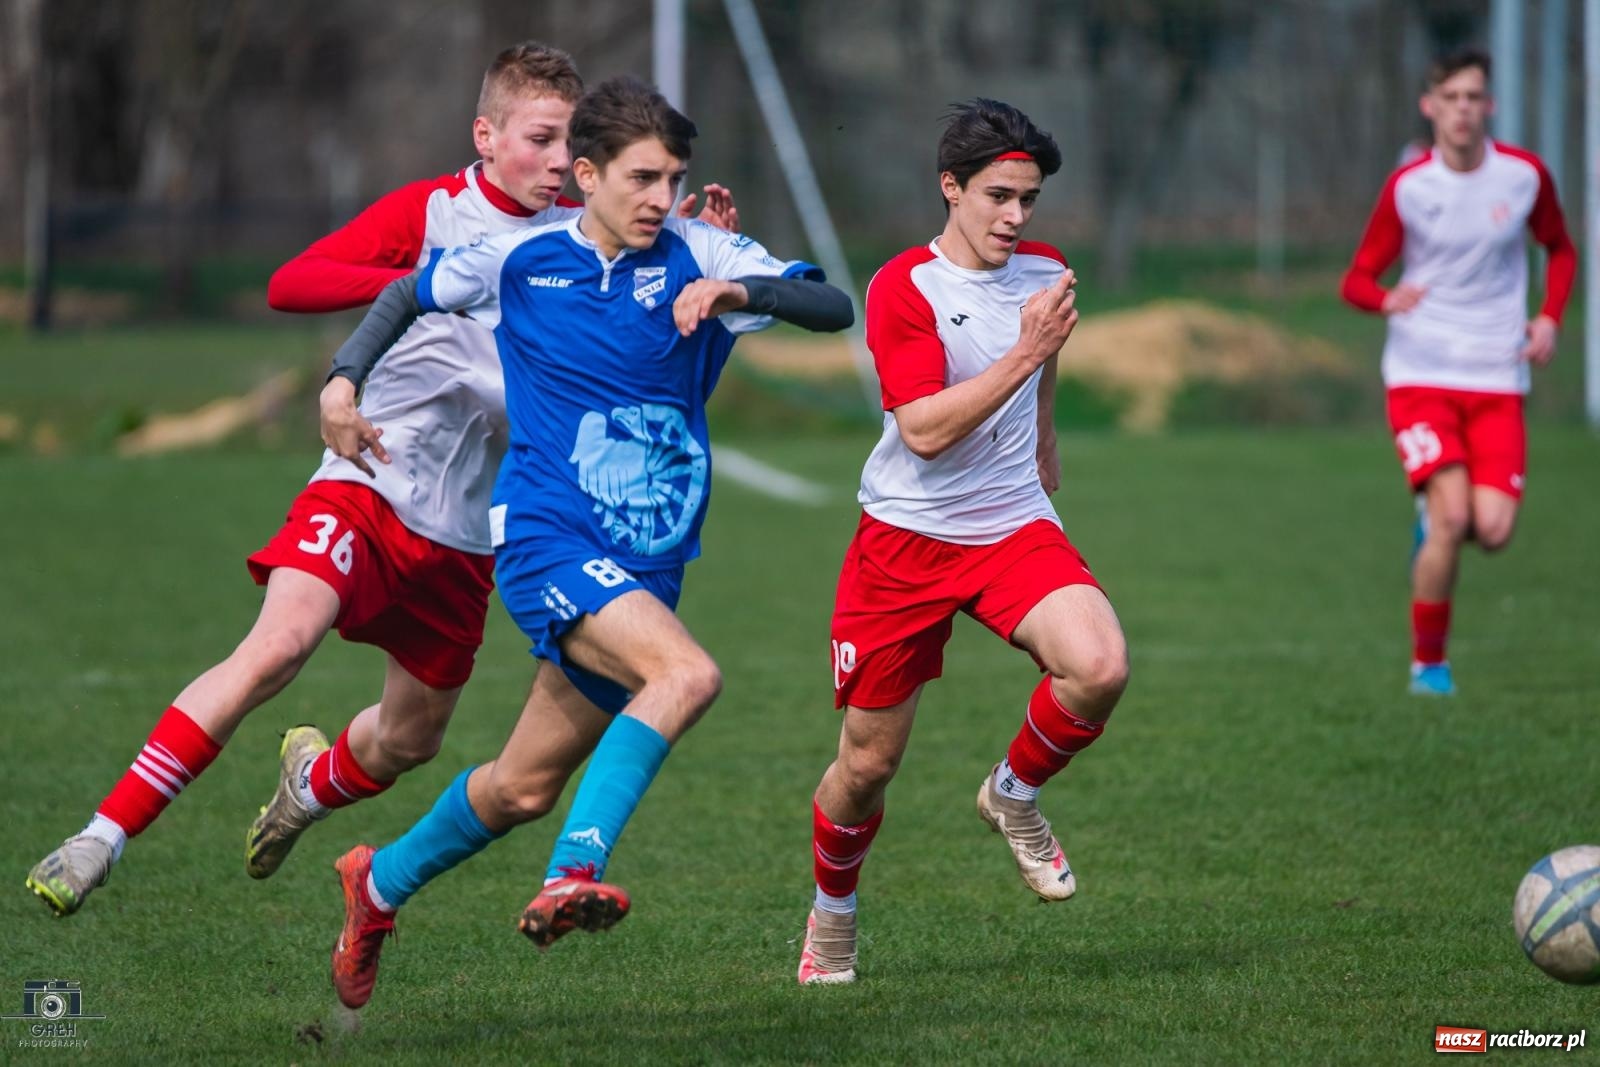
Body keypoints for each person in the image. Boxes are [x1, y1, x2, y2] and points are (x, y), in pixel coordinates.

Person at [23, 42, 735, 918]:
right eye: (539, 139)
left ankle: (310, 785)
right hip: (368, 482)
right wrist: (432, 285)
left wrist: (702, 264)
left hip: (471, 532)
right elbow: (293, 282)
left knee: (409, 739)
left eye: (568, 145)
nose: (556, 162)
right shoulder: (437, 212)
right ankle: (102, 834)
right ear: (486, 135)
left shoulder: (586, 244)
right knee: (277, 647)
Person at [317, 75, 854, 1010]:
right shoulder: (519, 259)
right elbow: (405, 296)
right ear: (589, 173)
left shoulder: (700, 249)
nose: (662, 199)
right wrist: (341, 383)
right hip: (545, 536)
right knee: (685, 676)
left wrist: (740, 288)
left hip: (649, 559)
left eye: (675, 179)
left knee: (520, 787)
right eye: (643, 178)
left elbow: (831, 307)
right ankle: (575, 869)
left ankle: (378, 883)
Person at [794, 99, 1130, 986]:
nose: (1016, 217)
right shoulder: (903, 287)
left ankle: (1012, 794)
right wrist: (1021, 359)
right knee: (867, 765)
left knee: (1098, 667)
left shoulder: (1045, 271)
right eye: (998, 196)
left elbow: (1047, 348)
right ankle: (833, 913)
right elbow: (926, 433)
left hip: (1012, 523)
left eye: (1029, 199)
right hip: (904, 542)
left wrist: (1045, 432)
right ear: (952, 188)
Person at [1340, 47, 1575, 697]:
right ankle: (1429, 667)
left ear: (1489, 105)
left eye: (1474, 98)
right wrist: (1386, 298)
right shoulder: (1410, 188)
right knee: (1450, 520)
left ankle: (1436, 512)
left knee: (1491, 529)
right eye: (1452, 99)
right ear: (1430, 106)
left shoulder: (1524, 178)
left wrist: (1550, 316)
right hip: (1421, 374)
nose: (1463, 110)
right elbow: (1357, 278)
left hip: (1498, 377)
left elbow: (1560, 247)